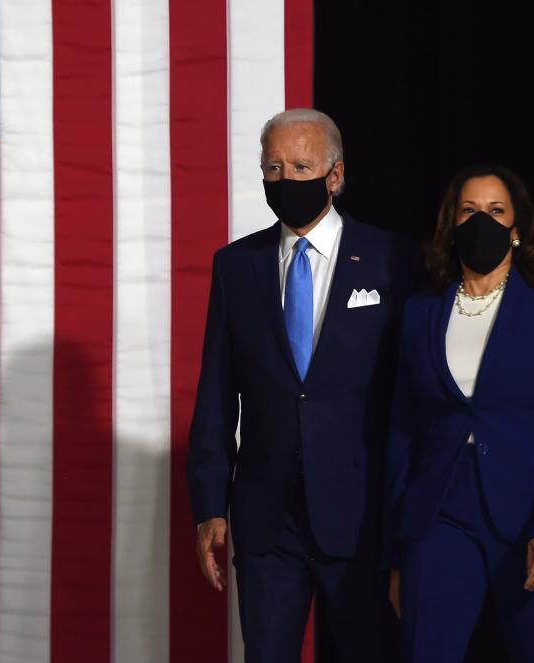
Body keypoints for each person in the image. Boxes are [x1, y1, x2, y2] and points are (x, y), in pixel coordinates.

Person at [186, 108, 422, 662]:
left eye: (301, 165)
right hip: (268, 520)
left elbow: (412, 398)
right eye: (274, 167)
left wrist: (405, 515)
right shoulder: (234, 266)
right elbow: (217, 394)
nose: (286, 179)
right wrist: (209, 504)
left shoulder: (394, 260)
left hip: (362, 517)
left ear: (335, 176)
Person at [383, 164, 534, 662]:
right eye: (470, 210)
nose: (483, 220)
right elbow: (403, 432)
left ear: (517, 229)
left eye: (497, 211)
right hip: (440, 515)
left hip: (531, 515)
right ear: (451, 226)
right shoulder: (421, 312)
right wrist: (396, 554)